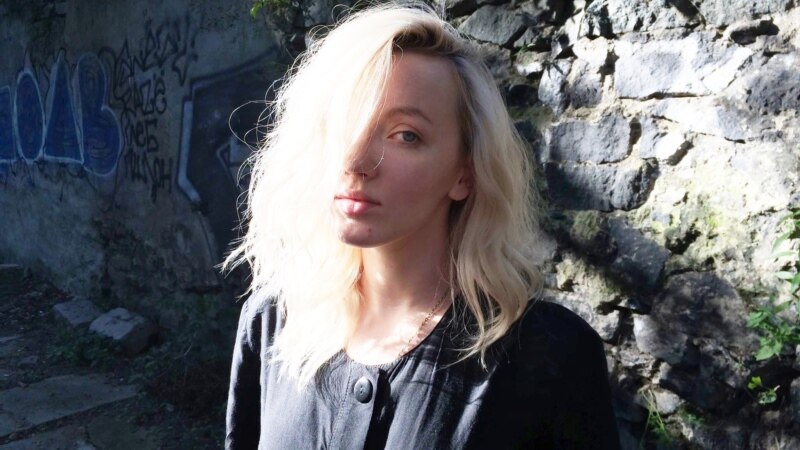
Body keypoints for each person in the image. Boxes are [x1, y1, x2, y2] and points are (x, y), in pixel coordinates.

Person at [224, 3, 619, 449]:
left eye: (405, 135)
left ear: (464, 174)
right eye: (343, 123)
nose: (355, 161)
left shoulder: (549, 355)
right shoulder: (273, 323)